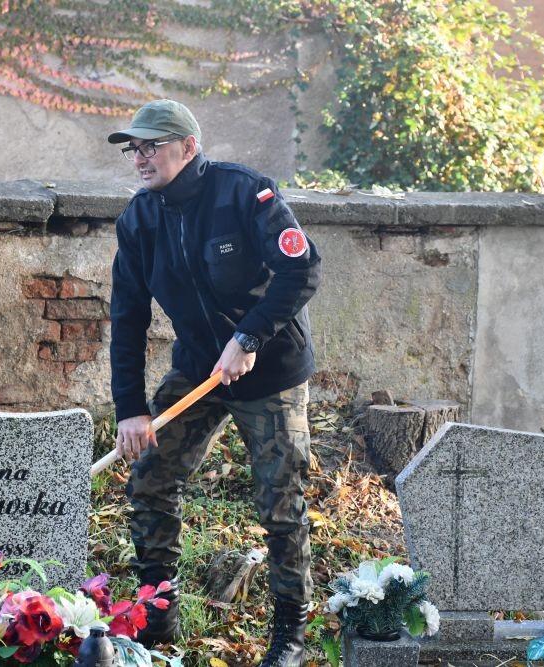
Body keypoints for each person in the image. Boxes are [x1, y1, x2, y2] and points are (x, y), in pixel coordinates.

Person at [107, 99, 322, 666]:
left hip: (271, 368)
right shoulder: (139, 220)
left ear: (189, 146)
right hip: (198, 369)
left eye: (151, 146)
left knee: (280, 501)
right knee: (150, 479)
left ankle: (290, 636)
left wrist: (249, 338)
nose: (140, 159)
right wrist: (130, 408)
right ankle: (156, 614)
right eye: (135, 149)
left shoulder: (245, 193)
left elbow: (302, 268)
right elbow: (127, 317)